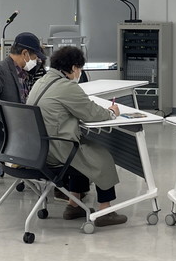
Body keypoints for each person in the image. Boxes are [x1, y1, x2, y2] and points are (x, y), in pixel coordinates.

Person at [27, 46, 127, 227]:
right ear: (74, 68)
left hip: (37, 148)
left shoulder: (41, 81)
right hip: (56, 149)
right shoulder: (66, 87)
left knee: (83, 150)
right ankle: (105, 211)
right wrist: (112, 112)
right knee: (102, 157)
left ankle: (74, 204)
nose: (80, 73)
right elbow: (91, 113)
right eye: (80, 69)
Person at [0, 31, 46, 128]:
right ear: (25, 53)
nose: (36, 60)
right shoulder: (0, 69)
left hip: (24, 122)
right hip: (15, 127)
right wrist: (9, 121)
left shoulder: (22, 72)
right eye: (35, 57)